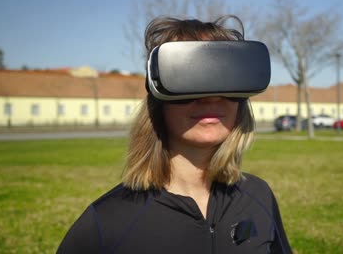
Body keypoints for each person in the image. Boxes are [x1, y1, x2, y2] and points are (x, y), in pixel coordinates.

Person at [57, 15, 292, 254]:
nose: (210, 98)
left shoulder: (258, 197)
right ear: (159, 100)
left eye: (224, 78)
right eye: (191, 77)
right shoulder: (107, 223)